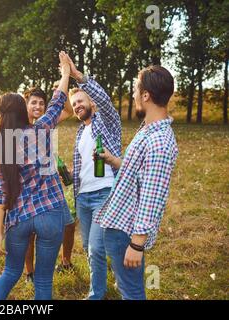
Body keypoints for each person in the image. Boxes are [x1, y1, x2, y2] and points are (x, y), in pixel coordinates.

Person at [0, 51, 71, 300]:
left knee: (10, 273)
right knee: (44, 280)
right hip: (49, 213)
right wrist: (66, 73)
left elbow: (0, 195)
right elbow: (57, 103)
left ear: (1, 115)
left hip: (19, 219)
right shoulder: (41, 130)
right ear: (23, 111)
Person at [94, 65, 178, 300]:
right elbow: (139, 174)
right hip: (120, 227)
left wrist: (137, 245)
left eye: (135, 90)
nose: (132, 95)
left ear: (146, 95)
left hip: (127, 233)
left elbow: (151, 198)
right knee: (126, 290)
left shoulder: (160, 142)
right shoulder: (148, 130)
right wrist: (112, 160)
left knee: (131, 293)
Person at [67, 55, 122, 299]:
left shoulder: (107, 122)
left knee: (96, 247)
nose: (78, 105)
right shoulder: (80, 133)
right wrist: (69, 174)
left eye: (81, 101)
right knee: (90, 248)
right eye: (74, 103)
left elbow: (106, 101)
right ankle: (119, 277)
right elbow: (83, 167)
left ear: (91, 101)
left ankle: (96, 294)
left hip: (105, 192)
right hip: (83, 197)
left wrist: (77, 75)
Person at [22, 85, 76, 283]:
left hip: (51, 184)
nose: (37, 106)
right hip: (32, 189)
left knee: (68, 224)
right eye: (33, 102)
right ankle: (30, 272)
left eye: (41, 103)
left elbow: (68, 111)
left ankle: (66, 262)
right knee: (31, 234)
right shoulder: (21, 127)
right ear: (25, 105)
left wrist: (65, 94)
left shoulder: (47, 122)